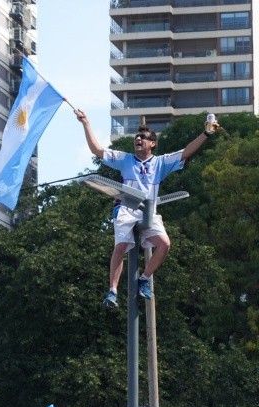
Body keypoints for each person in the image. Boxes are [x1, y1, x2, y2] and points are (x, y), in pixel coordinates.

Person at [76, 109, 217, 308]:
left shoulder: (160, 162)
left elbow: (187, 151)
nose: (138, 139)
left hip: (149, 211)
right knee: (121, 245)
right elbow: (97, 150)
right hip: (126, 208)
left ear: (153, 144)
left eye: (143, 137)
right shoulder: (125, 159)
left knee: (165, 244)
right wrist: (86, 123)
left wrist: (206, 134)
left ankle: (144, 278)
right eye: (136, 137)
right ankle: (113, 291)